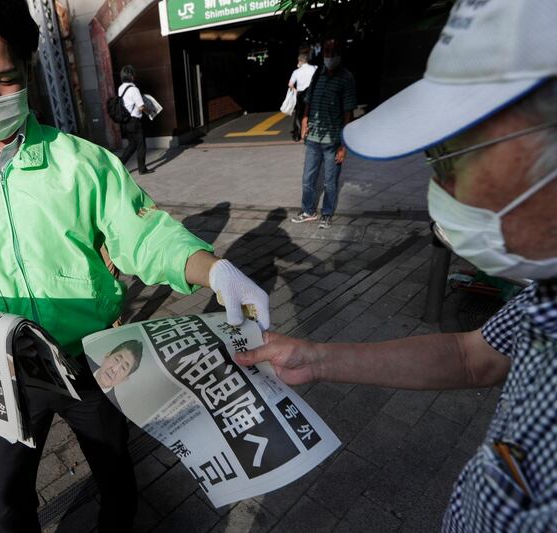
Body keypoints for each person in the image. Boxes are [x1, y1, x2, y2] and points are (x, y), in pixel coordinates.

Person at [0, 2, 270, 532]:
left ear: (28, 67)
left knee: (117, 476)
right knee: (5, 503)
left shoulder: (83, 163)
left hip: (94, 358)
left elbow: (143, 233)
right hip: (0, 374)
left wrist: (214, 270)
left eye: (5, 80)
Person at [237, 1, 557, 530]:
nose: (439, 185)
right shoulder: (543, 295)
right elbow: (472, 356)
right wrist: (316, 358)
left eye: (455, 153)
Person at [290, 38, 356, 230]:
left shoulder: (346, 78)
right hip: (313, 139)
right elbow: (309, 101)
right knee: (307, 178)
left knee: (330, 182)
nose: (328, 56)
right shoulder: (318, 73)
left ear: (339, 54)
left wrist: (344, 145)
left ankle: (326, 214)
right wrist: (304, 120)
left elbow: (348, 113)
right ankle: (308, 211)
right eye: (326, 51)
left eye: (332, 52)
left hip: (332, 141)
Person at [117, 65, 153, 175]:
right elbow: (141, 106)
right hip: (134, 122)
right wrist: (150, 112)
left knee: (132, 144)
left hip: (125, 121)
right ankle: (142, 169)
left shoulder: (121, 88)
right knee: (141, 145)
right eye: (133, 74)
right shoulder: (134, 89)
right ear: (131, 76)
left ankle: (119, 163)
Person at [288, 52, 317, 142]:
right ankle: (312, 132)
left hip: (301, 95)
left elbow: (290, 84)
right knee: (313, 113)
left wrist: (295, 91)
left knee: (299, 114)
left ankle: (297, 135)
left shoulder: (296, 72)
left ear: (300, 61)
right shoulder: (315, 68)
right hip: (313, 93)